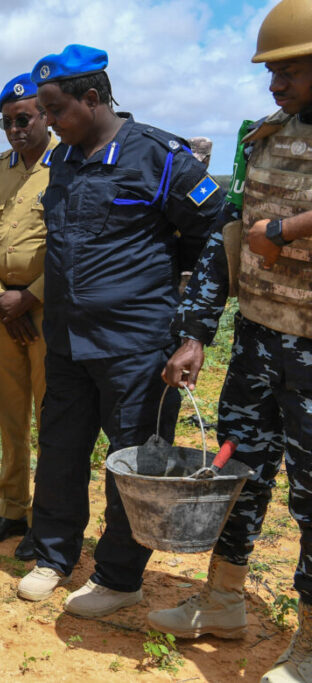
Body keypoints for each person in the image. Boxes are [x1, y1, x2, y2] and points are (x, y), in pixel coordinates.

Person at [14, 44, 225, 617]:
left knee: (130, 460)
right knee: (60, 450)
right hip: (68, 340)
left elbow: (213, 237)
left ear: (92, 98)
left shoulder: (159, 157)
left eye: (56, 111)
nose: (50, 125)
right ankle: (54, 555)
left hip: (135, 345)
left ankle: (117, 577)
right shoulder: (67, 160)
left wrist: (194, 332)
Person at [147, 2, 312, 679]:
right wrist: (195, 332)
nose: (274, 86)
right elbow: (229, 238)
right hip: (258, 344)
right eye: (271, 73)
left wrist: (290, 232)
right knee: (236, 472)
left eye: (289, 71)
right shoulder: (264, 139)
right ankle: (223, 600)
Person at [0, 73, 58, 561]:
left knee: (51, 418)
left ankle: (47, 517)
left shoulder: (66, 165)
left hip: (47, 312)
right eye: (6, 123)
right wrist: (1, 296)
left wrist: (30, 297)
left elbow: (72, 247)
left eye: (23, 119)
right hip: (2, 313)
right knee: (9, 414)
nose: (14, 130)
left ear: (45, 116)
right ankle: (12, 508)